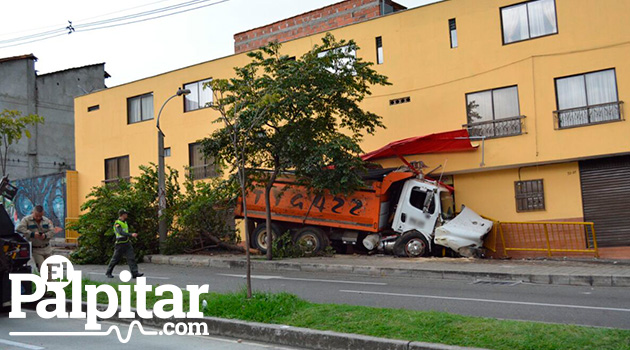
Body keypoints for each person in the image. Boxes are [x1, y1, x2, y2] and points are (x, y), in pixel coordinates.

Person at [16, 205, 56, 277]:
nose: (38, 218)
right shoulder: (26, 220)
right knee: (43, 269)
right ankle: (48, 285)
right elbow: (19, 228)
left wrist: (45, 236)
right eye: (36, 216)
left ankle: (48, 285)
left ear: (43, 214)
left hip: (47, 248)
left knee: (50, 269)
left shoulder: (46, 221)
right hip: (36, 249)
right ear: (33, 212)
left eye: (40, 216)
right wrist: (31, 234)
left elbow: (52, 231)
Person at [105, 209, 143, 278]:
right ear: (122, 215)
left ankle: (135, 273)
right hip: (120, 243)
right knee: (115, 259)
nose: (127, 215)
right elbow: (121, 232)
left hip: (127, 243)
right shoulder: (117, 223)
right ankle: (108, 272)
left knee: (131, 258)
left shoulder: (125, 222)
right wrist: (131, 234)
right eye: (125, 214)